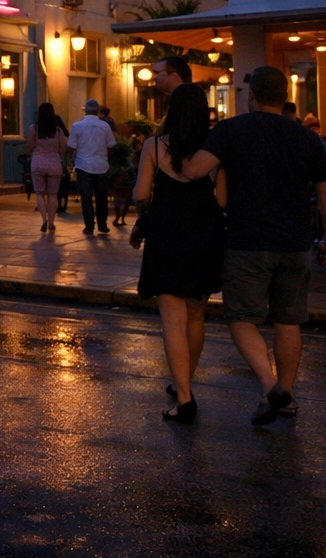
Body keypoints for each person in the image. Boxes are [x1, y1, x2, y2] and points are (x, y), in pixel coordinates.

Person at [177, 66, 326, 426]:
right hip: (295, 244)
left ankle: (270, 387)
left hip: (247, 242)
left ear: (251, 95)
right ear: (284, 98)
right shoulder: (307, 138)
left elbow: (192, 170)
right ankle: (287, 394)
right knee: (288, 320)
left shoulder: (231, 129)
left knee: (242, 318)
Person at [129, 83, 227, 424]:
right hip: (205, 234)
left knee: (172, 319)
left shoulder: (155, 146)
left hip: (167, 234)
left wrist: (146, 211)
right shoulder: (215, 148)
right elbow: (224, 201)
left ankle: (184, 397)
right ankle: (182, 380)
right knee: (196, 316)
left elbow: (141, 193)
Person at [68, 99, 117, 234]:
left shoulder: (77, 126)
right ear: (98, 111)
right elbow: (111, 145)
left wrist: (72, 159)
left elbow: (71, 146)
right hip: (101, 165)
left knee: (86, 196)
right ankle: (102, 225)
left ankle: (89, 226)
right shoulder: (105, 126)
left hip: (83, 165)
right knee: (102, 196)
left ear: (85, 110)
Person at [25, 102, 68, 233]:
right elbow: (63, 147)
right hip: (54, 162)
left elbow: (30, 146)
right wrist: (58, 156)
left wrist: (31, 152)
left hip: (38, 162)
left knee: (39, 193)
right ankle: (51, 223)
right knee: (53, 194)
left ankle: (43, 220)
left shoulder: (34, 128)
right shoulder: (58, 130)